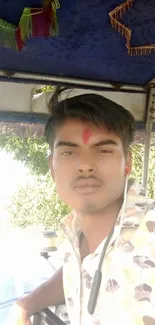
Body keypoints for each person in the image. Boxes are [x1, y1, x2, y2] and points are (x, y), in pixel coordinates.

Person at [13, 89, 155, 325]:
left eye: (103, 150)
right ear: (51, 167)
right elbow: (79, 271)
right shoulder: (74, 231)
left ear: (127, 164)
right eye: (69, 151)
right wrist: (27, 303)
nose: (86, 165)